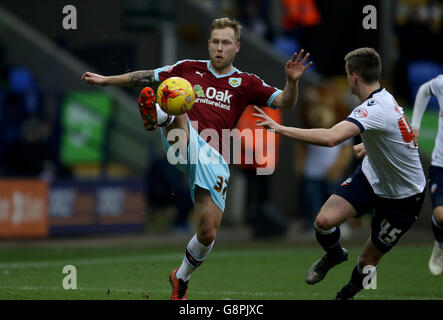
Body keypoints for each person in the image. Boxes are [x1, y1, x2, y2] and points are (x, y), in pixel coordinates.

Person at [81, 17, 312, 300]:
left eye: (226, 42)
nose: (219, 47)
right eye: (215, 41)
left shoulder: (247, 83)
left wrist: (291, 81)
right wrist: (106, 80)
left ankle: (180, 277)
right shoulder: (187, 69)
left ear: (237, 47)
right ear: (208, 43)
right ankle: (159, 113)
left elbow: (285, 102)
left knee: (207, 232)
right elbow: (146, 76)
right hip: (183, 139)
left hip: (214, 157)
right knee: (178, 94)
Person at [254, 47, 426, 299]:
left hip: (404, 196)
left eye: (347, 75)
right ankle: (335, 254)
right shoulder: (385, 100)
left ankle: (345, 296)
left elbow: (331, 138)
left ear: (354, 77)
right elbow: (402, 135)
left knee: (368, 259)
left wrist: (280, 128)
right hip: (372, 177)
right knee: (324, 222)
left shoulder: (375, 108)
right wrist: (369, 146)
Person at [411, 74, 443, 277]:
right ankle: (439, 244)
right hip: (441, 164)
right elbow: (424, 90)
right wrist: (415, 125)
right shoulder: (441, 83)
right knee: (441, 216)